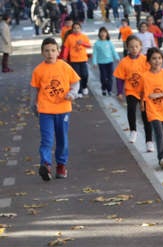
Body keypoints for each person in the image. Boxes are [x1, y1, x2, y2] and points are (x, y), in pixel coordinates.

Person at [30, 37, 80, 181]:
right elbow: (34, 90)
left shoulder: (64, 67)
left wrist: (72, 94)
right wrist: (33, 106)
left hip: (63, 109)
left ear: (58, 51)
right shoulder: (38, 70)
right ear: (42, 53)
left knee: (62, 139)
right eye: (46, 51)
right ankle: (45, 165)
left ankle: (61, 165)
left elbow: (75, 83)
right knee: (47, 139)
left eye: (53, 50)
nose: (50, 53)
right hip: (45, 111)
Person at [114, 35, 154, 149]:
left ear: (140, 47)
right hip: (131, 90)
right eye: (131, 47)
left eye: (136, 46)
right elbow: (119, 78)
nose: (134, 49)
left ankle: (149, 141)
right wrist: (119, 92)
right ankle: (133, 130)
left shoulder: (145, 60)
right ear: (127, 48)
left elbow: (152, 74)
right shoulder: (124, 62)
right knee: (131, 108)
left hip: (144, 91)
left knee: (146, 116)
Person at [140, 47, 163, 169]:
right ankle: (162, 157)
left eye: (159, 58)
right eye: (154, 58)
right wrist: (141, 103)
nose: (157, 61)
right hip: (152, 109)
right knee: (159, 133)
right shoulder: (145, 76)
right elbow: (141, 91)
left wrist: (159, 95)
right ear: (149, 61)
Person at [64, 21, 93, 96]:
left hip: (83, 59)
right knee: (77, 76)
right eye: (74, 28)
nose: (76, 29)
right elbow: (66, 48)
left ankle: (84, 86)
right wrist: (64, 57)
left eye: (78, 28)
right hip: (74, 60)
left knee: (85, 74)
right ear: (72, 29)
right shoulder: (69, 37)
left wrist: (82, 43)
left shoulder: (84, 37)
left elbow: (89, 45)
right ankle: (79, 91)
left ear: (80, 29)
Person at [92, 26, 120, 96]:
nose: (103, 34)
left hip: (110, 62)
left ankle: (109, 90)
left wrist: (117, 58)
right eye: (101, 32)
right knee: (104, 77)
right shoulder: (97, 43)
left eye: (104, 32)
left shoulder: (109, 42)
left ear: (107, 34)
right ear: (99, 34)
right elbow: (95, 54)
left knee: (110, 77)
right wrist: (94, 62)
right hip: (101, 63)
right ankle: (104, 88)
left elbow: (113, 51)